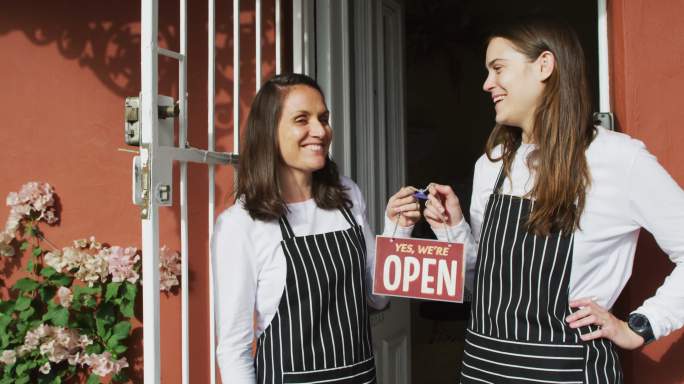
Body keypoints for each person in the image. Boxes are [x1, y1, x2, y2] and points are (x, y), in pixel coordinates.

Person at [422, 19, 684, 383]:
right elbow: (482, 284)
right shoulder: (492, 164)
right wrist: (453, 231)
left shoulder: (619, 159)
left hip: (566, 372)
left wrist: (640, 326)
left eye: (498, 68)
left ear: (544, 65)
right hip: (483, 368)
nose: (487, 84)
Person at [211, 73, 420, 384]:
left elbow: (378, 298)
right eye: (302, 119)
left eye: (323, 118)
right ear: (269, 132)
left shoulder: (346, 194)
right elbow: (233, 349)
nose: (320, 130)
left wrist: (398, 228)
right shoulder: (240, 225)